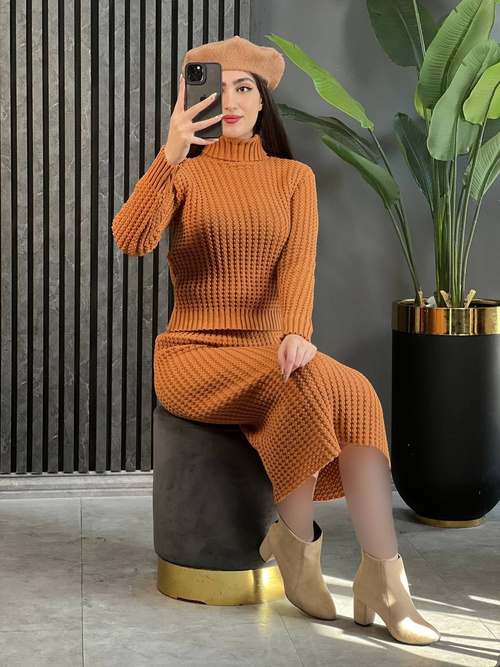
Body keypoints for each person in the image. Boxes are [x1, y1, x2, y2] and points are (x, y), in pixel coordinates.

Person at [112, 35, 440, 645]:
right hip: (193, 355)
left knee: (355, 390)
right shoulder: (184, 173)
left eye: (245, 88)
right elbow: (131, 239)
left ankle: (384, 579)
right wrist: (169, 155)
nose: (232, 101)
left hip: (267, 350)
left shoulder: (293, 178)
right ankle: (298, 546)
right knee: (303, 386)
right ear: (196, 99)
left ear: (264, 102)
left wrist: (295, 333)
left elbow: (297, 270)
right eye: (219, 89)